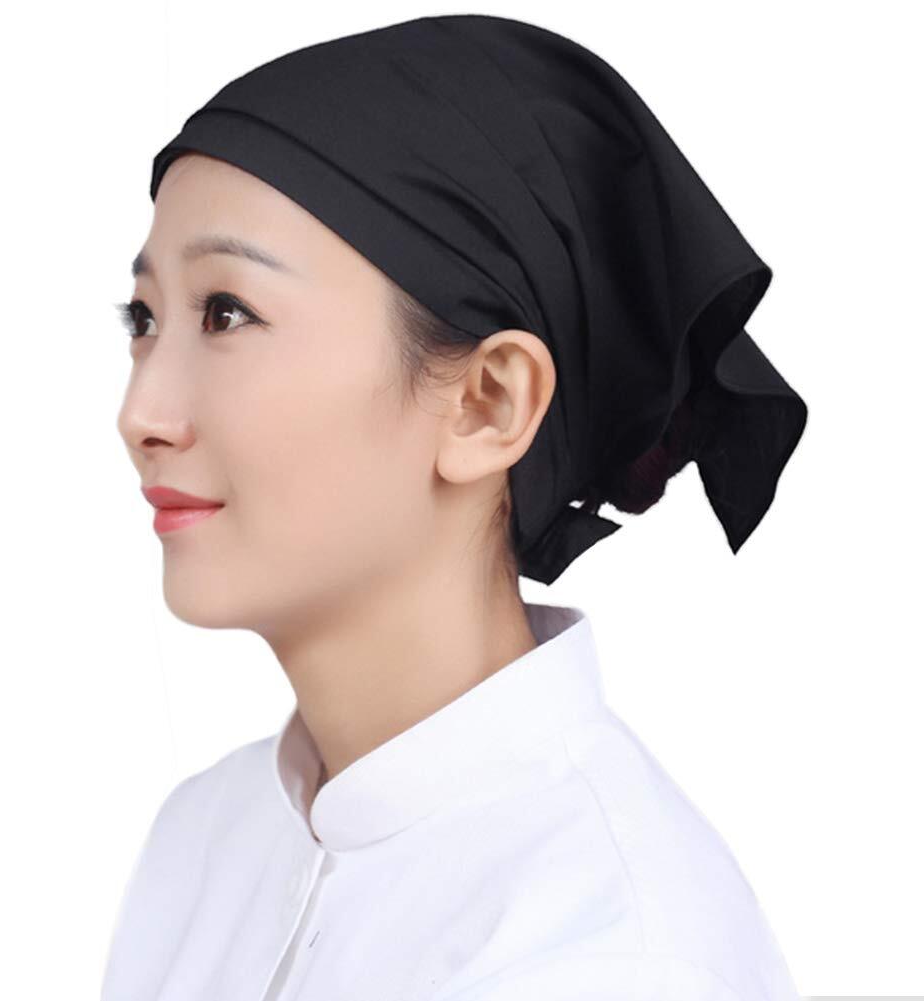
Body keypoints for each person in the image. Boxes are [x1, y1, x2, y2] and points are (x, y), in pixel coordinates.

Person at [102, 15, 807, 1001]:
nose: (140, 413)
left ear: (487, 402)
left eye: (228, 313)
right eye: (143, 318)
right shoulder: (205, 837)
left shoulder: (612, 961)